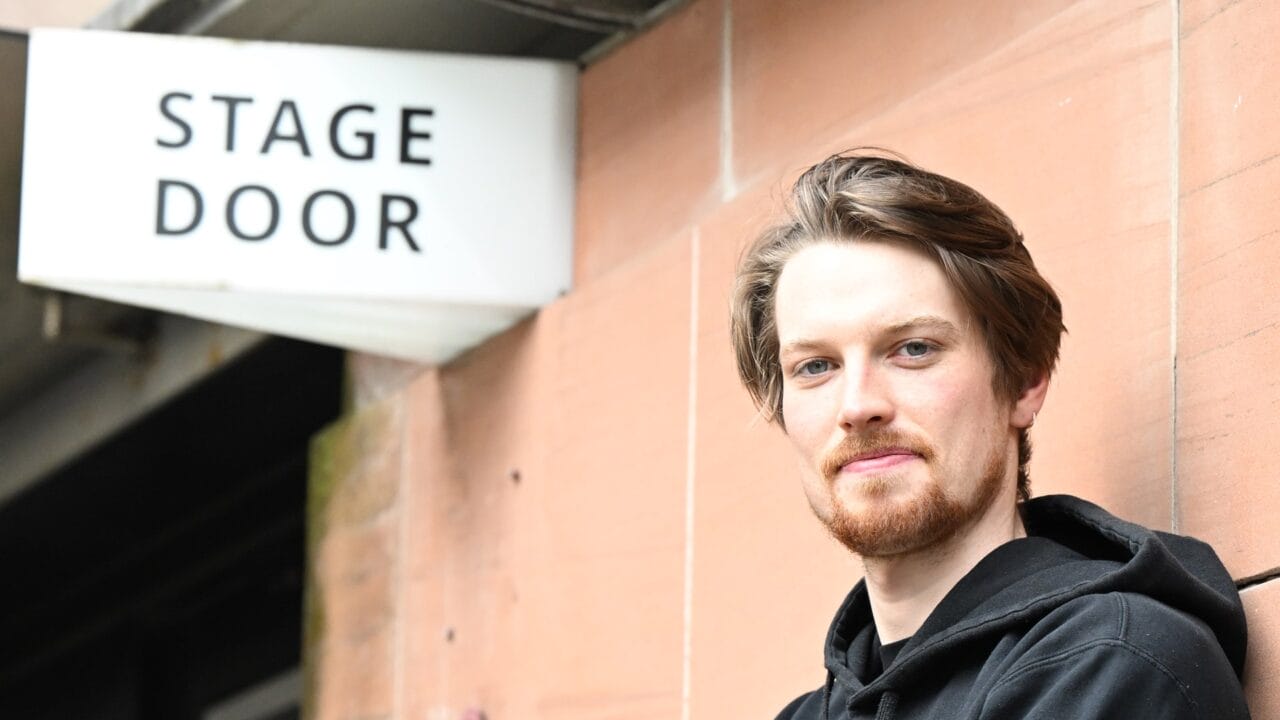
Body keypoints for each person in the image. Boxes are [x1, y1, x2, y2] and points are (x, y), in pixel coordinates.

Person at [730, 152, 1250, 719]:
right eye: (815, 366)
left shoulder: (1110, 663)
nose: (857, 406)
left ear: (1023, 382)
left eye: (913, 349)